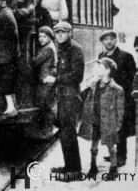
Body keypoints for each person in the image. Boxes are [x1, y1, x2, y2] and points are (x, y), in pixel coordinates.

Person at [45, 21, 84, 180]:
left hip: (70, 95)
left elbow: (77, 76)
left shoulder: (74, 49)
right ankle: (69, 166)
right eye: (57, 32)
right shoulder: (62, 48)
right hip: (63, 94)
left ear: (69, 33)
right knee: (64, 132)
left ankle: (74, 171)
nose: (60, 35)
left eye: (63, 32)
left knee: (68, 133)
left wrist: (56, 80)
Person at [79, 58, 124, 179]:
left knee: (111, 146)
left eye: (100, 67)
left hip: (108, 122)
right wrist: (91, 82)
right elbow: (82, 95)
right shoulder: (94, 84)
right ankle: (93, 166)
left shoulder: (117, 89)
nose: (96, 69)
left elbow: (120, 110)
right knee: (93, 146)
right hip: (94, 120)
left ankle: (113, 168)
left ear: (108, 70)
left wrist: (118, 125)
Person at [98, 30, 136, 167]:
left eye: (112, 39)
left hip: (121, 96)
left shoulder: (126, 56)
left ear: (116, 40)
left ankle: (122, 156)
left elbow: (131, 78)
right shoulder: (101, 56)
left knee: (121, 126)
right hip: (107, 97)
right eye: (106, 39)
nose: (109, 42)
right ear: (102, 41)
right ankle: (113, 153)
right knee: (109, 125)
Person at [30, 26, 57, 138]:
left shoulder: (47, 49)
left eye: (44, 37)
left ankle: (49, 130)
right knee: (46, 105)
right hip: (47, 79)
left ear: (50, 37)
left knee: (46, 106)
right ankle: (48, 129)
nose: (41, 39)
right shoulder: (49, 46)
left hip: (47, 81)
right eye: (39, 36)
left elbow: (35, 62)